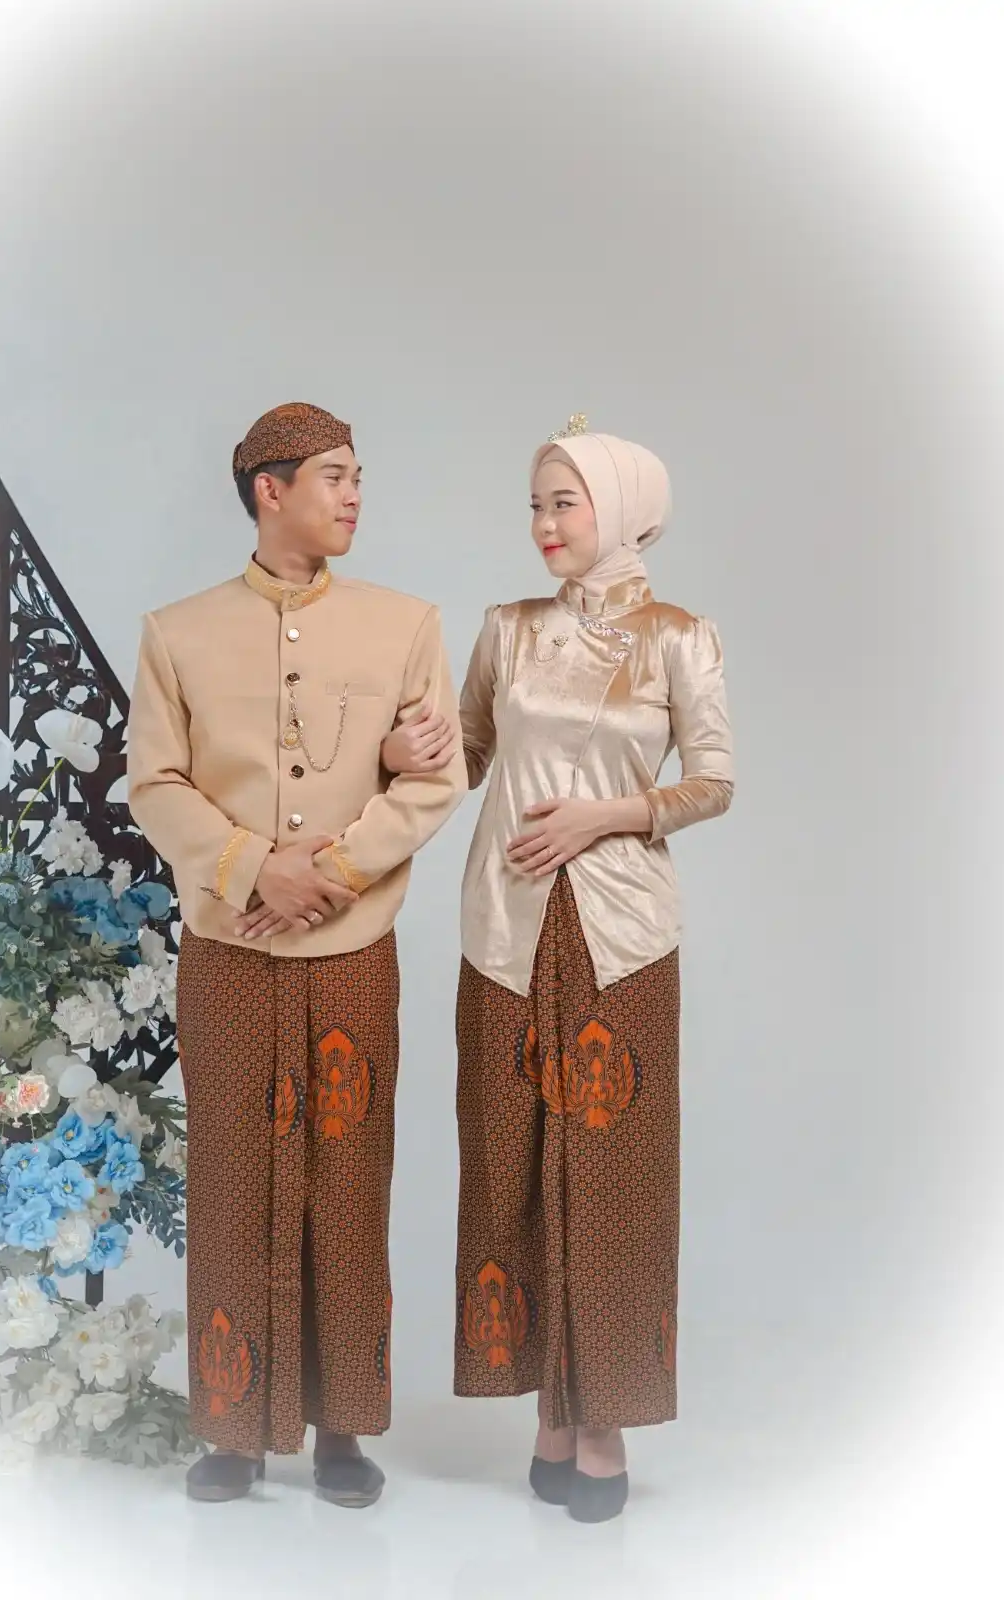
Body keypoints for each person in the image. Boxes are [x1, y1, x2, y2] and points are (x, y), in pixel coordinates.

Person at [386, 415, 734, 1523]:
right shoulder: (509, 629)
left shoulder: (680, 637)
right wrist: (403, 756)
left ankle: (604, 1420)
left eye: (564, 503)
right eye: (536, 504)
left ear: (621, 510)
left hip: (622, 936)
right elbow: (467, 753)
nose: (543, 523)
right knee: (509, 1161)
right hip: (504, 926)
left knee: (615, 1175)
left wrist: (605, 815)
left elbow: (715, 780)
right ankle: (547, 1404)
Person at [126, 402, 467, 1507]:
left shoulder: (406, 624)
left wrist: (330, 871)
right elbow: (154, 783)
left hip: (353, 944)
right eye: (334, 476)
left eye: (359, 475)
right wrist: (247, 867)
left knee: (350, 1179)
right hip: (228, 948)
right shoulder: (176, 632)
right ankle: (232, 1429)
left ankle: (342, 1430)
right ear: (269, 491)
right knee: (231, 1177)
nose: (354, 495)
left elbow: (437, 778)